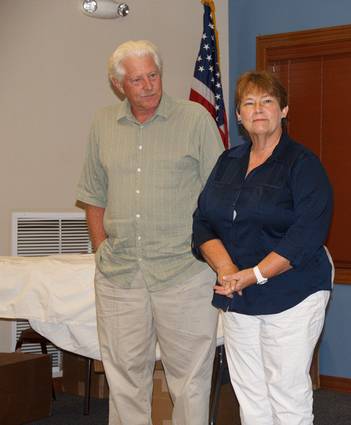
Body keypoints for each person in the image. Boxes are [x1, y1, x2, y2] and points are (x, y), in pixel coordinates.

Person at [76, 40, 225, 425]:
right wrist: (100, 248)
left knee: (190, 380)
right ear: (118, 85)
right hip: (120, 276)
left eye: (153, 76)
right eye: (138, 79)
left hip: (185, 274)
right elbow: (93, 195)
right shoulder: (102, 123)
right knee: (124, 379)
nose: (148, 86)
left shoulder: (195, 120)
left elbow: (221, 197)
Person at [192, 70, 334, 425]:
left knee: (285, 390)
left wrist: (254, 275)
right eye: (249, 103)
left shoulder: (302, 164)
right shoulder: (228, 163)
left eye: (267, 101)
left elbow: (306, 233)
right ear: (238, 115)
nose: (258, 110)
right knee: (249, 394)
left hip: (293, 292)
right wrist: (227, 270)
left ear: (284, 110)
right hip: (238, 293)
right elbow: (202, 222)